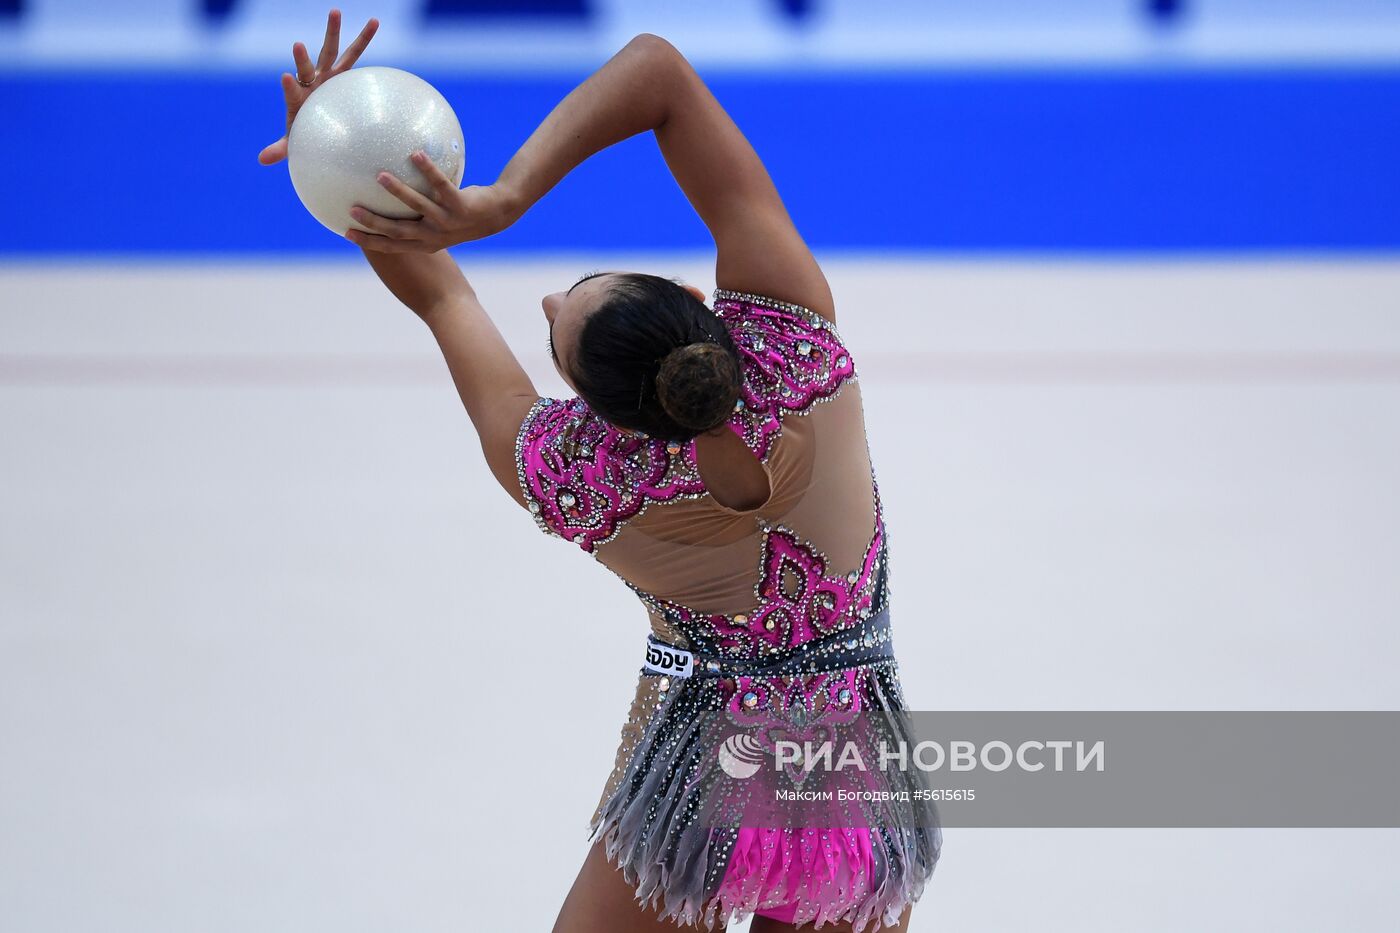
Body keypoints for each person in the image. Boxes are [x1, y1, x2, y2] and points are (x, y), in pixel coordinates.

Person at [259, 11, 939, 931]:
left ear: (597, 410)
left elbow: (440, 289)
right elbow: (657, 71)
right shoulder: (794, 339)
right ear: (700, 303)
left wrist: (346, 170)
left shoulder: (579, 478)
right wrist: (509, 196)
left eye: (555, 324)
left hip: (704, 780)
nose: (545, 295)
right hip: (853, 779)